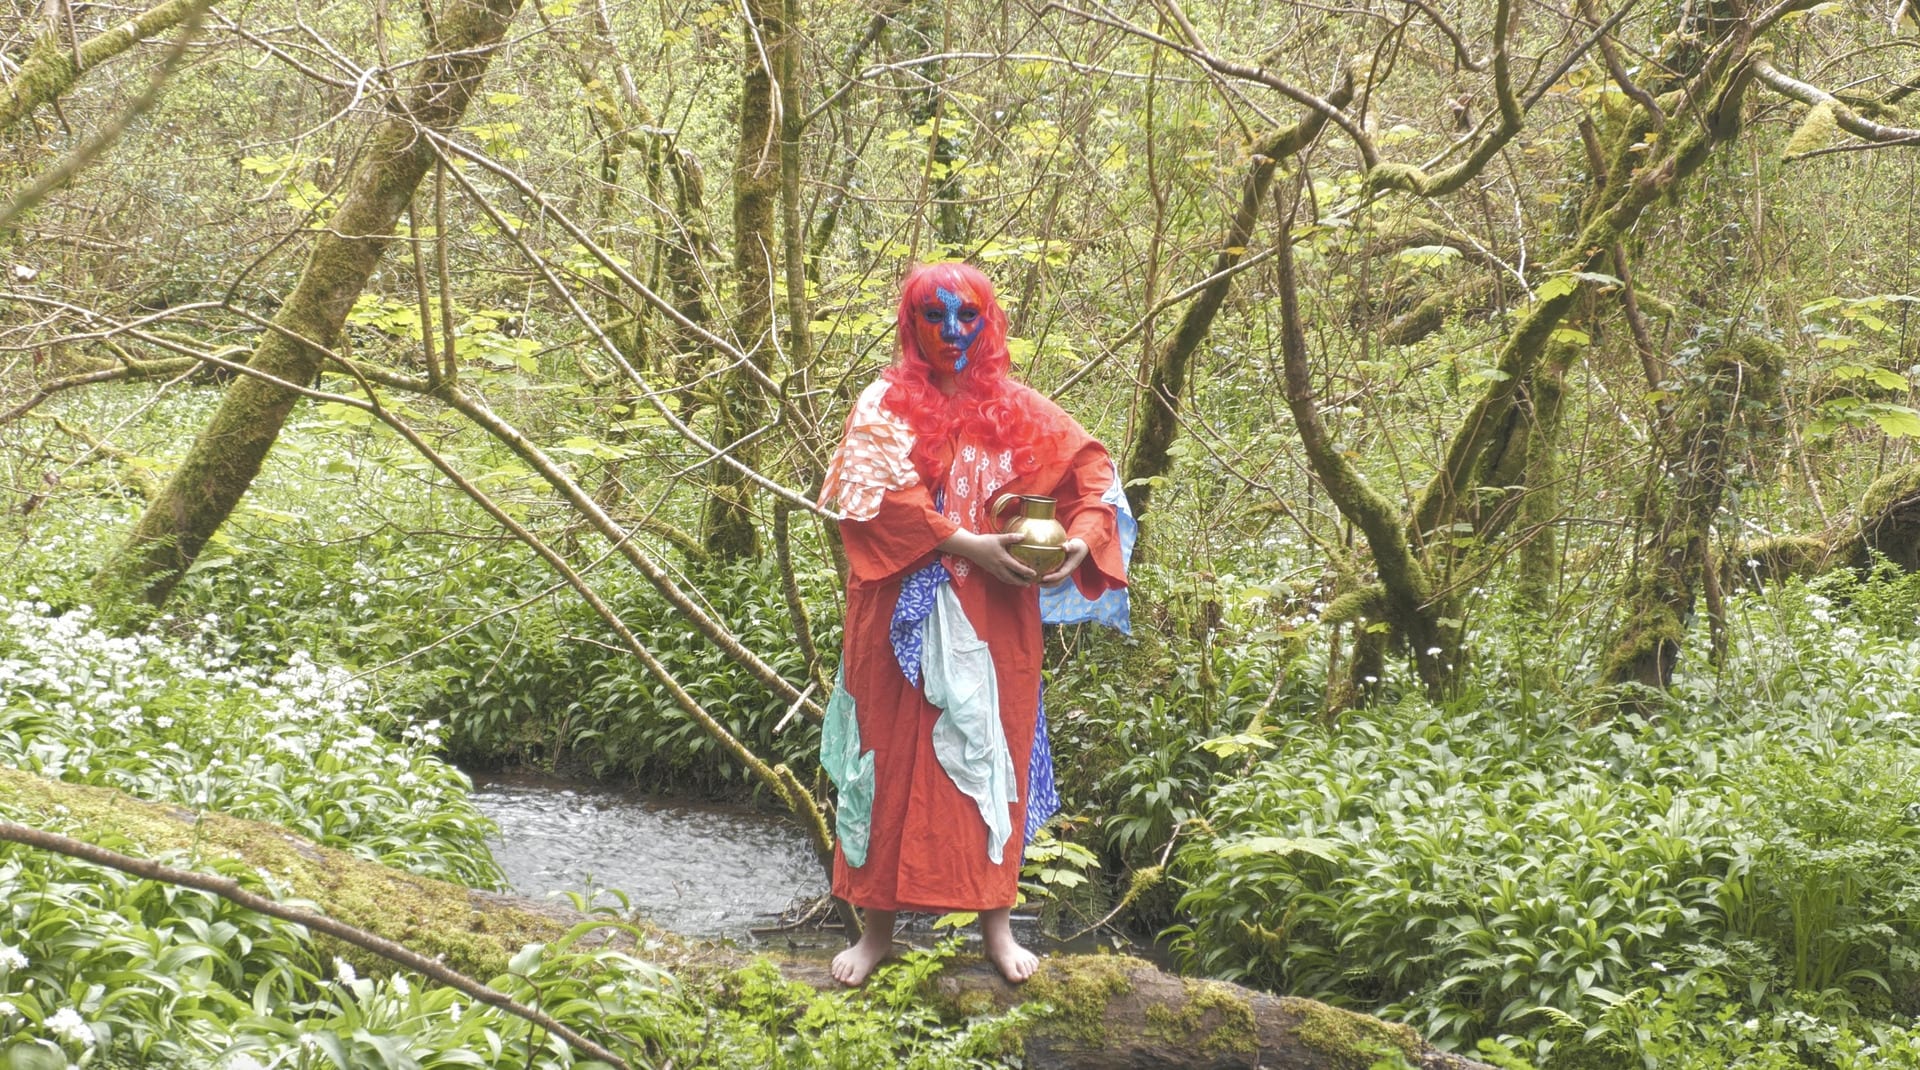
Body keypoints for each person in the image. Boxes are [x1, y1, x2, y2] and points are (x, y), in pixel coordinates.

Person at [816, 262, 1134, 986]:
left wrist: (1080, 542)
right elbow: (867, 499)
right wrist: (964, 544)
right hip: (897, 613)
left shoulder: (1022, 410)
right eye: (935, 316)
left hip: (995, 621)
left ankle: (996, 925)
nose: (953, 332)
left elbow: (1097, 478)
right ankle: (876, 932)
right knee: (887, 762)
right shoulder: (882, 405)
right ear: (912, 323)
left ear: (988, 323)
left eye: (968, 317)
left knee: (991, 762)